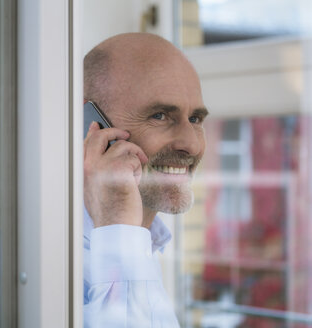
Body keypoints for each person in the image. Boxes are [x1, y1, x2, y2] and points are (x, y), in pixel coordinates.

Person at [83, 33, 208, 327]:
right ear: (88, 122)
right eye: (160, 115)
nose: (191, 145)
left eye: (195, 119)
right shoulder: (42, 262)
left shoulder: (145, 241)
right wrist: (119, 227)